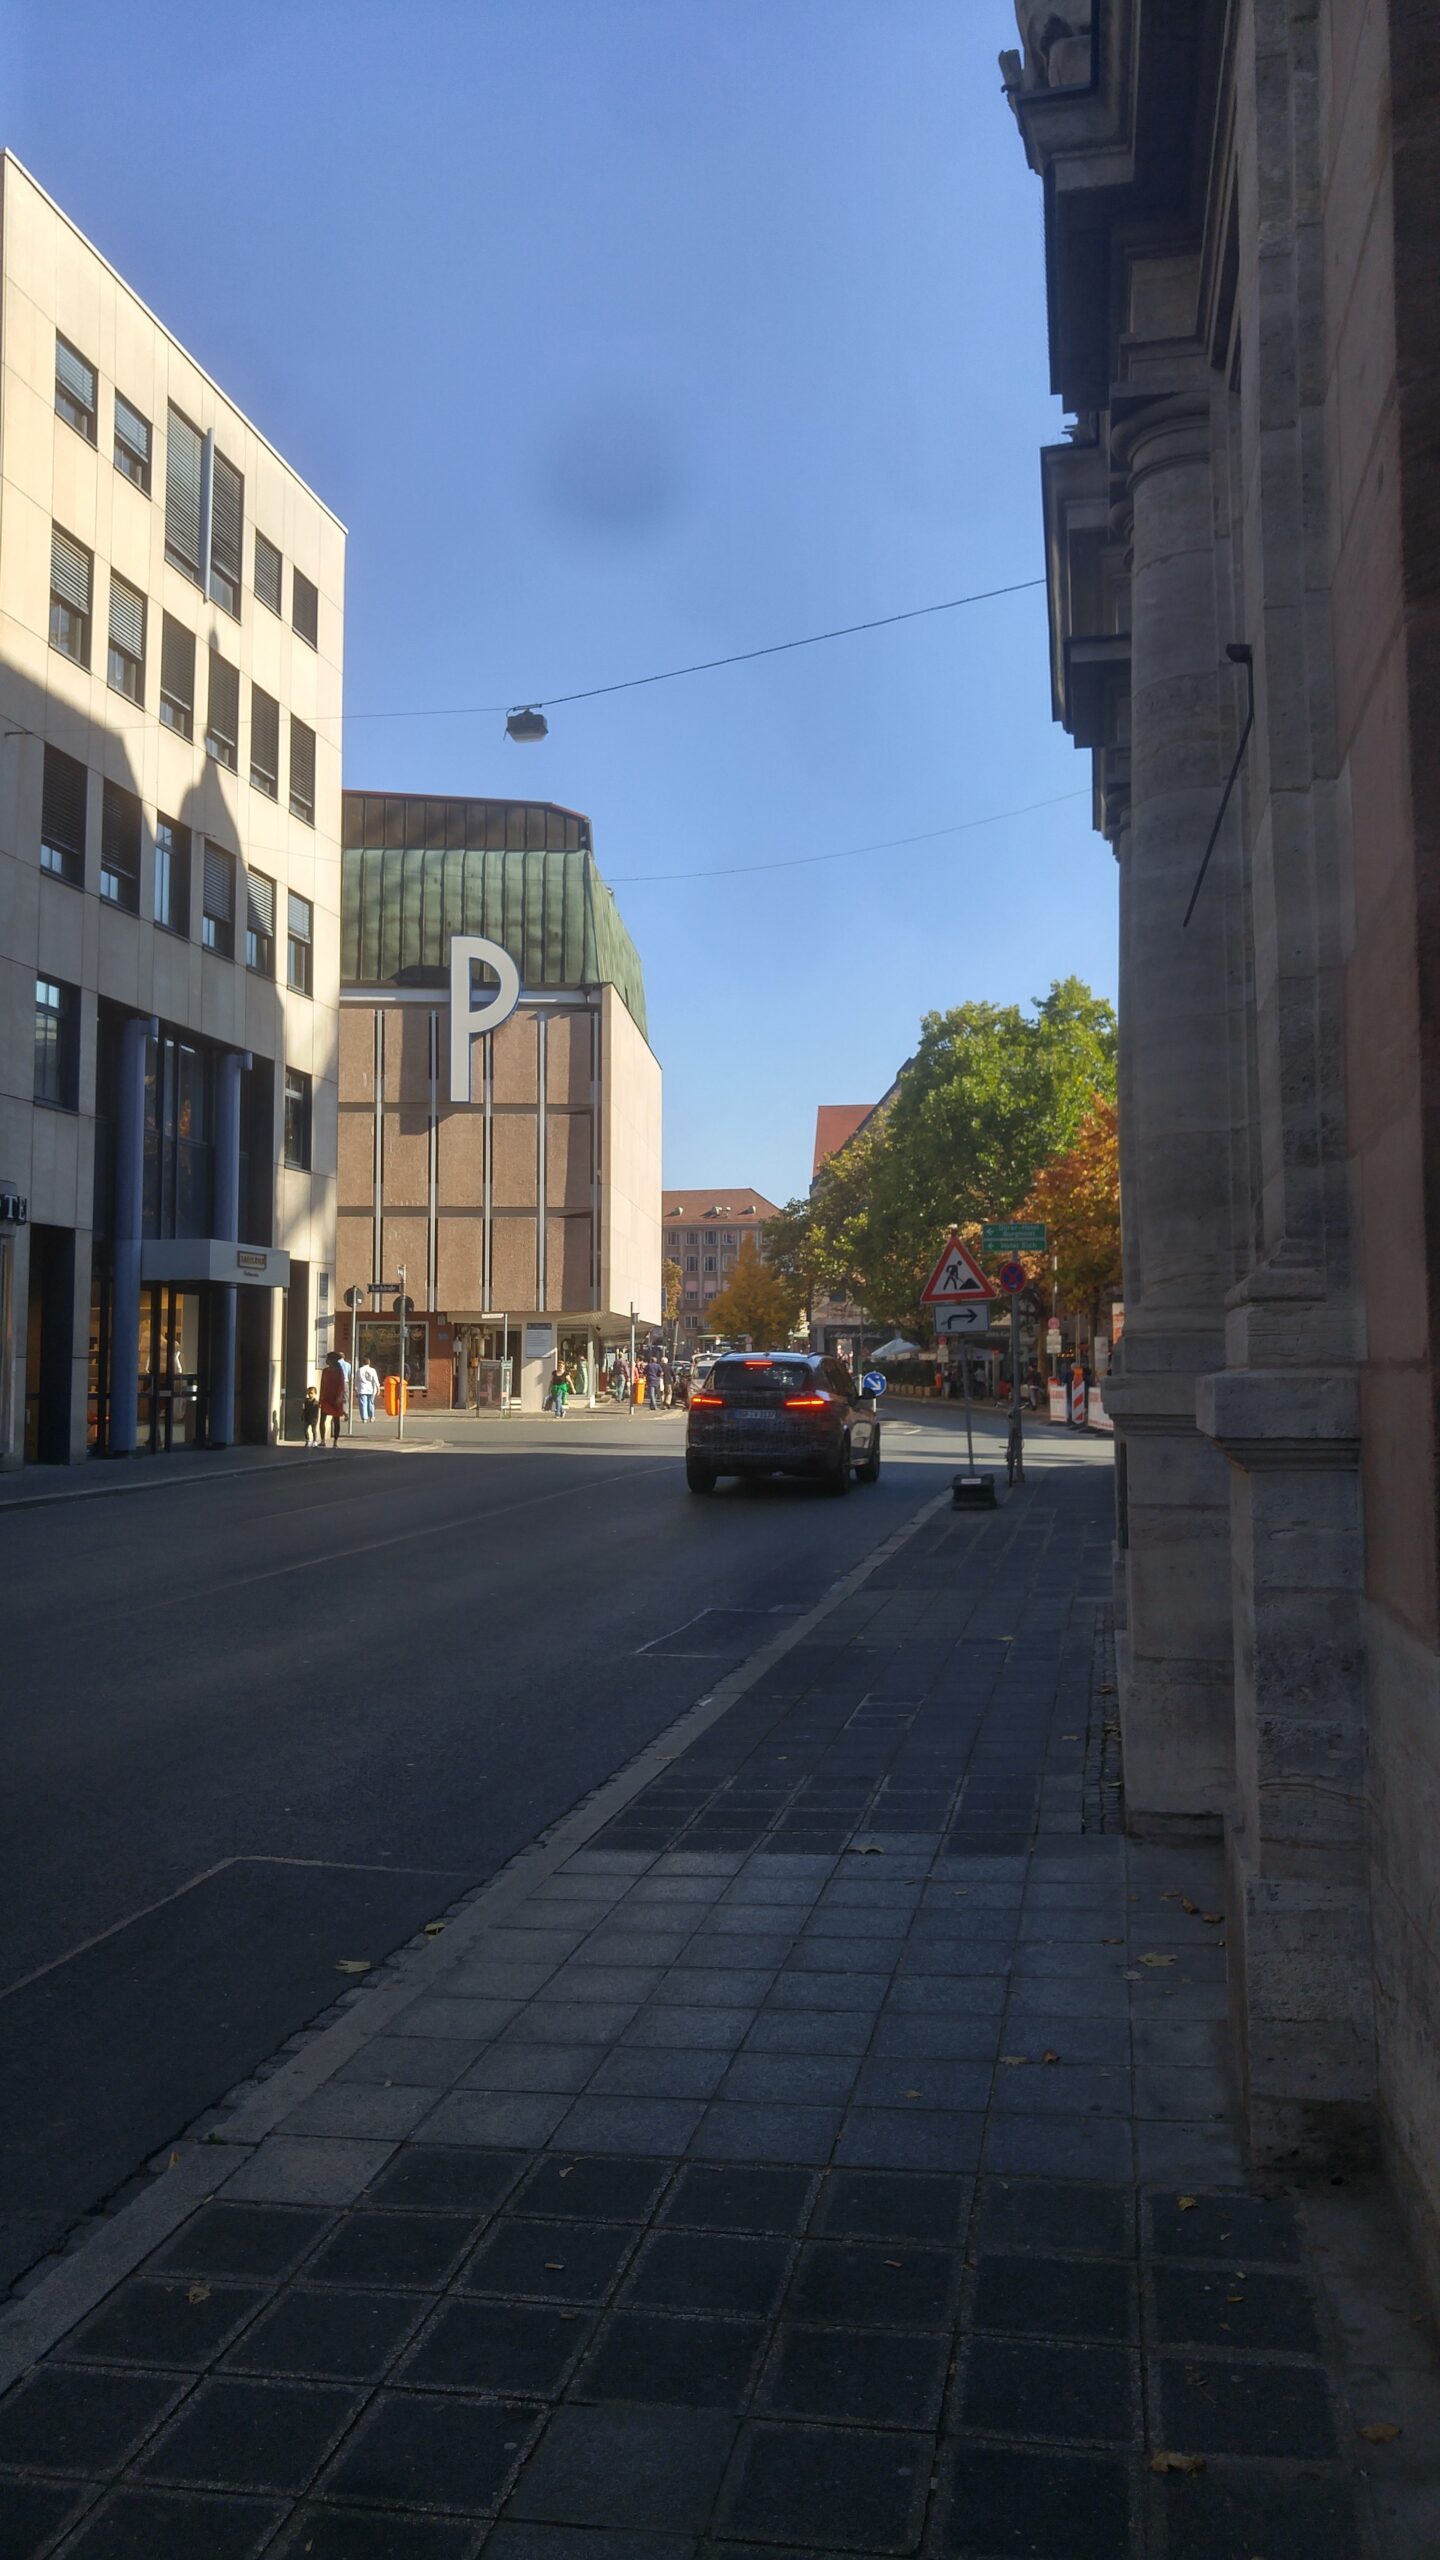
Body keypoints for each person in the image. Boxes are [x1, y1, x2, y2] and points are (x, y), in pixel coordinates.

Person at [318, 1351, 347, 1448]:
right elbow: (322, 1385)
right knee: (322, 1419)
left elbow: (341, 1385)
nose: (327, 1361)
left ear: (332, 1360)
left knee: (336, 1420)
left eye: (329, 1359)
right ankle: (322, 1440)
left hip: (336, 1398)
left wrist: (339, 1397)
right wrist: (320, 1399)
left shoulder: (339, 1371)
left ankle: (335, 1441)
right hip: (326, 1397)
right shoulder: (325, 1371)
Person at [355, 1357, 380, 1423]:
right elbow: (376, 1380)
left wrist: (356, 1389)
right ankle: (372, 1417)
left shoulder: (359, 1370)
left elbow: (356, 1380)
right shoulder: (372, 1370)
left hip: (362, 1388)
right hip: (371, 1389)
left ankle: (364, 1418)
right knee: (371, 1403)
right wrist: (378, 1388)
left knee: (363, 1404)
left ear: (362, 1362)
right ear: (369, 1363)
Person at [301, 1382, 320, 1447]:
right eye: (308, 1393)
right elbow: (304, 1409)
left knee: (313, 1430)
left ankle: (314, 1441)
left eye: (311, 1393)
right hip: (307, 1418)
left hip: (313, 1418)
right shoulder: (306, 1401)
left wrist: (315, 1418)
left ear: (315, 1394)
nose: (310, 1394)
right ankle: (307, 1440)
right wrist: (302, 1415)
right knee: (305, 1429)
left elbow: (316, 1411)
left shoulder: (316, 1402)